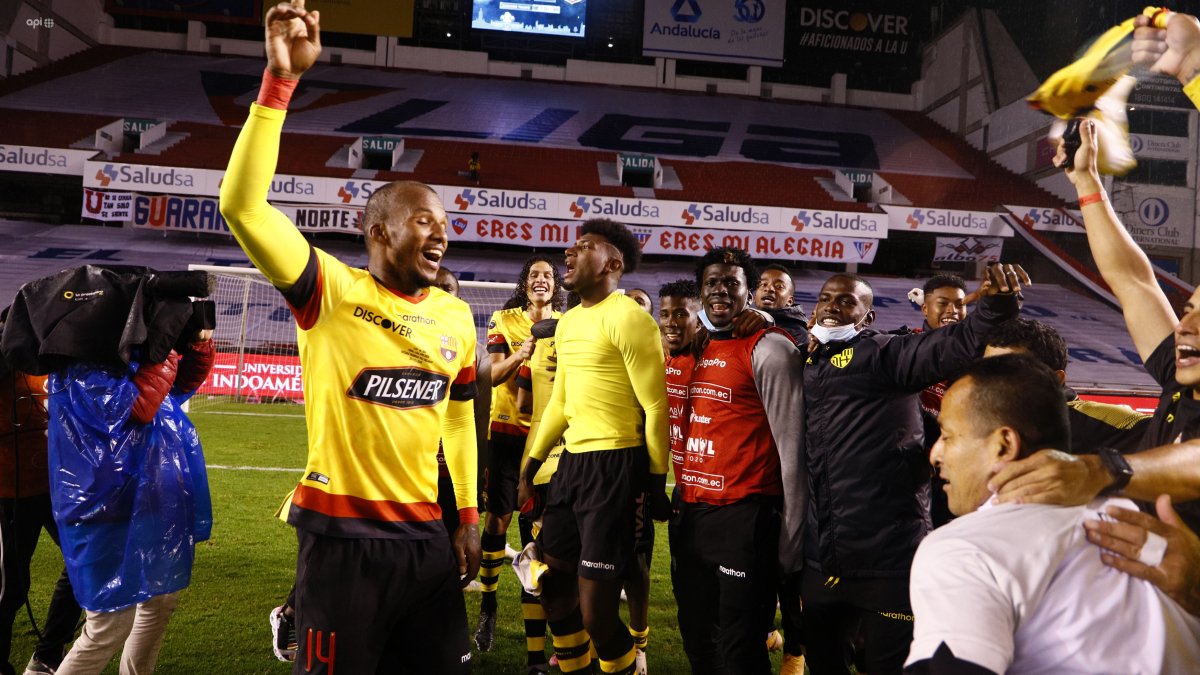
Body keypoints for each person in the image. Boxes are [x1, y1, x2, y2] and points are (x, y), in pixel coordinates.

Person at [218, 3, 481, 672]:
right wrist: (279, 83)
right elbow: (242, 207)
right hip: (341, 541)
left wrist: (469, 516)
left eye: (444, 222)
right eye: (422, 219)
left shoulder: (457, 316)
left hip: (426, 540)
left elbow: (457, 417)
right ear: (379, 232)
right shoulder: (329, 291)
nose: (439, 232)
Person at [905, 354, 1200, 674]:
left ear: (1004, 445)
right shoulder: (1152, 534)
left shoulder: (962, 550)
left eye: (947, 435)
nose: (935, 453)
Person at [801, 264, 1026, 675]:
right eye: (826, 298)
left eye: (847, 300)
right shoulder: (808, 358)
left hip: (889, 561)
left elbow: (954, 343)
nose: (833, 306)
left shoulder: (883, 354)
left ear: (867, 317)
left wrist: (995, 306)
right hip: (823, 562)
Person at [988, 117, 1200, 534]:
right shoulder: (1181, 377)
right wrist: (1086, 181)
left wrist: (1102, 470)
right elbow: (1133, 280)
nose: (1185, 326)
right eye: (1189, 309)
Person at [518, 218, 670, 675]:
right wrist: (530, 468)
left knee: (597, 614)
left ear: (612, 263)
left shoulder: (630, 318)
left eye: (583, 247)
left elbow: (656, 408)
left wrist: (656, 483)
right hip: (572, 467)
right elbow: (560, 403)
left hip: (617, 468)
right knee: (553, 589)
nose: (569, 253)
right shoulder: (569, 323)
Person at [670, 248, 805, 674]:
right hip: (689, 513)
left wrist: (792, 534)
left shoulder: (769, 349)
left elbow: (792, 447)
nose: (721, 291)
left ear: (749, 291)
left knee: (741, 649)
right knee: (696, 639)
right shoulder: (691, 347)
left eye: (732, 282)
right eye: (712, 282)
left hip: (745, 518)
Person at [51, 326, 215, 675]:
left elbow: (176, 388)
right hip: (106, 510)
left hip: (151, 502)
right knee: (108, 625)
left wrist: (198, 345)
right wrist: (165, 350)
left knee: (159, 601)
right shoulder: (83, 371)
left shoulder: (131, 362)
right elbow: (139, 406)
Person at [477, 256, 562, 654]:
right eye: (534, 275)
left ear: (556, 285)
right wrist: (521, 354)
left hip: (548, 440)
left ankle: (544, 634)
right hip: (507, 433)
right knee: (499, 517)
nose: (541, 279)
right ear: (525, 284)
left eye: (548, 275)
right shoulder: (503, 319)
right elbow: (492, 375)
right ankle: (489, 603)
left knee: (538, 531)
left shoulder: (567, 323)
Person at [0, 312, 81, 675]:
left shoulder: (53, 361)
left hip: (56, 488)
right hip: (9, 492)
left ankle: (48, 654)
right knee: (11, 588)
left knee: (84, 567)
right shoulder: (7, 358)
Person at [984, 318, 1150, 453]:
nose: (993, 379)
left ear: (1056, 379)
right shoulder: (974, 416)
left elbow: (1171, 439)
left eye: (1010, 370)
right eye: (987, 368)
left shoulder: (1099, 423)